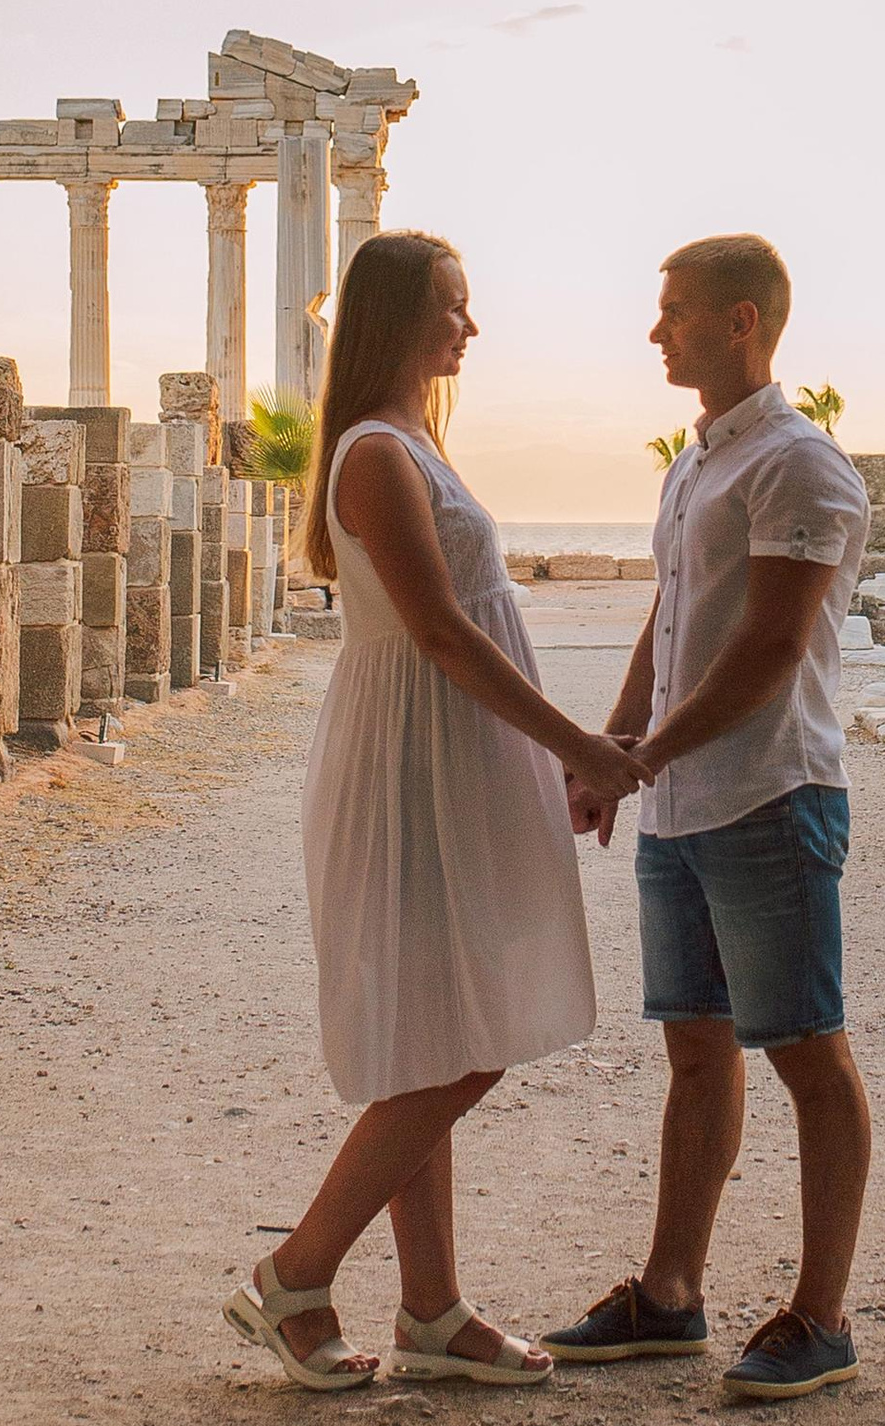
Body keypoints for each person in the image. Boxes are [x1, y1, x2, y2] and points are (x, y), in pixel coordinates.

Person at [224, 230, 647, 1391]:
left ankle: (431, 1309)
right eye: (455, 307)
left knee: (438, 1023)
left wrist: (549, 755)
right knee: (466, 1038)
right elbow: (443, 634)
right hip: (412, 759)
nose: (472, 326)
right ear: (400, 317)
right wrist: (578, 748)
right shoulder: (372, 451)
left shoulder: (412, 440)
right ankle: (294, 1273)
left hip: (450, 753)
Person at [546, 233, 874, 1402]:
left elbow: (768, 652)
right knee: (694, 1046)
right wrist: (614, 744)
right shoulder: (695, 465)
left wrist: (636, 757)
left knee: (805, 1048)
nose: (656, 330)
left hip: (770, 793)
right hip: (682, 800)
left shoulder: (800, 465)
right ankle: (670, 1292)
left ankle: (820, 1314)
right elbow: (671, 621)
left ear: (741, 321)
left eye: (674, 311)